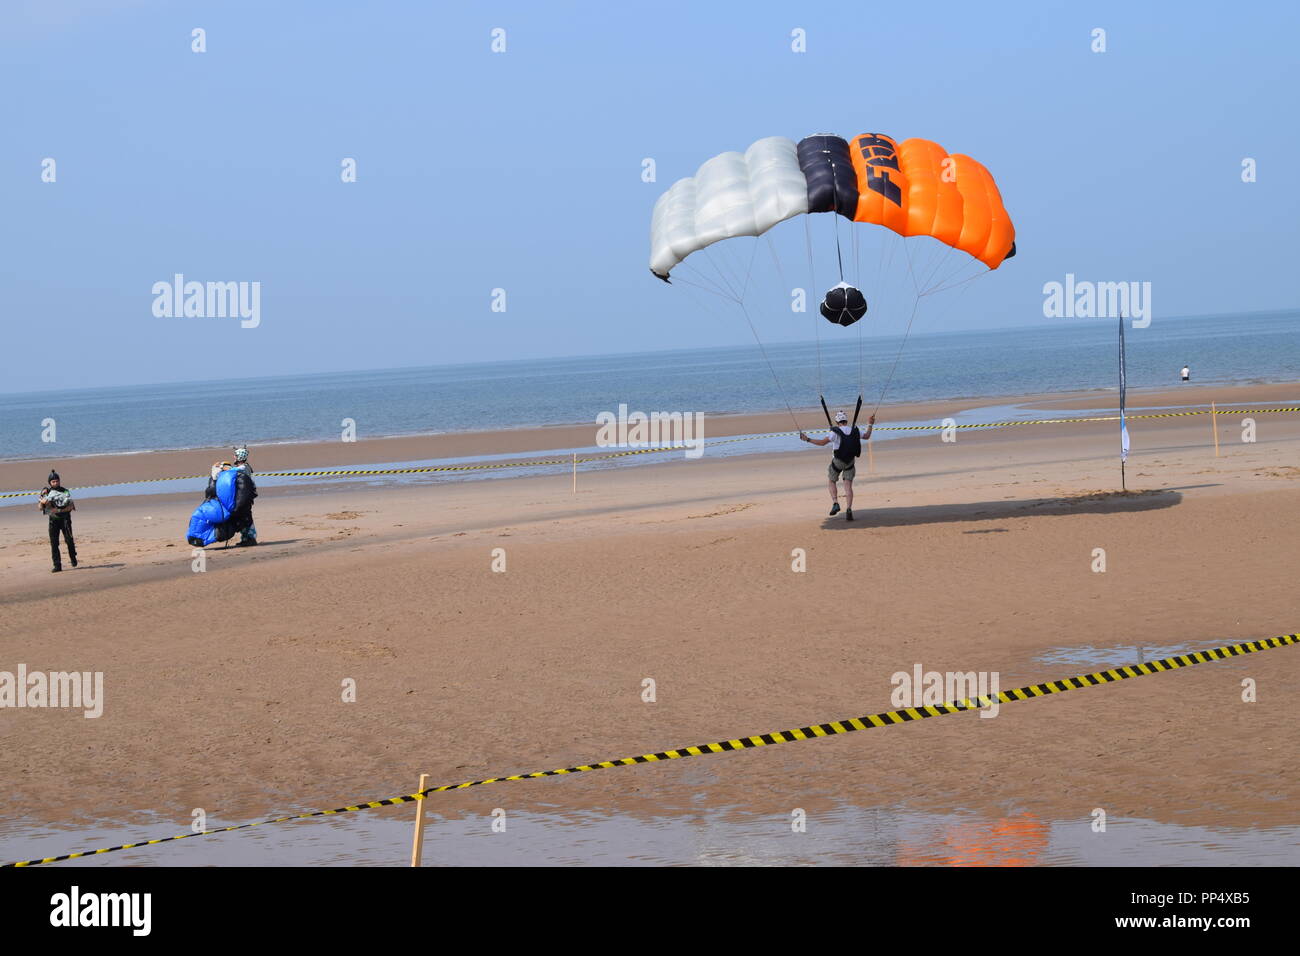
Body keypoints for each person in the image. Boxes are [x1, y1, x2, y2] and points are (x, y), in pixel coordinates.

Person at [799, 410, 875, 520]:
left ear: (837, 421)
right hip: (850, 461)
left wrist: (808, 439)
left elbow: (822, 443)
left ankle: (835, 502)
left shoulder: (834, 432)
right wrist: (870, 424)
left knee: (831, 480)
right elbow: (867, 436)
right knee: (848, 486)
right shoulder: (854, 431)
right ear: (846, 420)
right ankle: (849, 509)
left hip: (838, 461)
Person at [39, 470, 78, 572]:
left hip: (65, 520)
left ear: (59, 481)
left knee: (69, 541)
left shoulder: (65, 491)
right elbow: (40, 508)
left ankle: (73, 557)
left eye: (57, 481)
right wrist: (42, 499)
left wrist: (59, 510)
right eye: (53, 482)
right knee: (54, 544)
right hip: (53, 521)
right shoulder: (46, 492)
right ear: (50, 483)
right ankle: (57, 565)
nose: (55, 483)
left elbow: (71, 507)